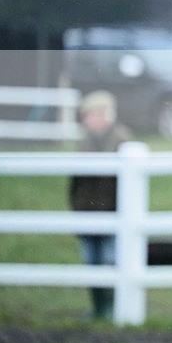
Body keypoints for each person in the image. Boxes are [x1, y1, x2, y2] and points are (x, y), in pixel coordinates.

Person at [69, 90, 132, 320]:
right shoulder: (85, 142)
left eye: (91, 114)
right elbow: (76, 181)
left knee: (109, 261)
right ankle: (98, 310)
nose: (87, 120)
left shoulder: (121, 139)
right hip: (87, 213)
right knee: (92, 264)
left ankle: (111, 310)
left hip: (111, 213)